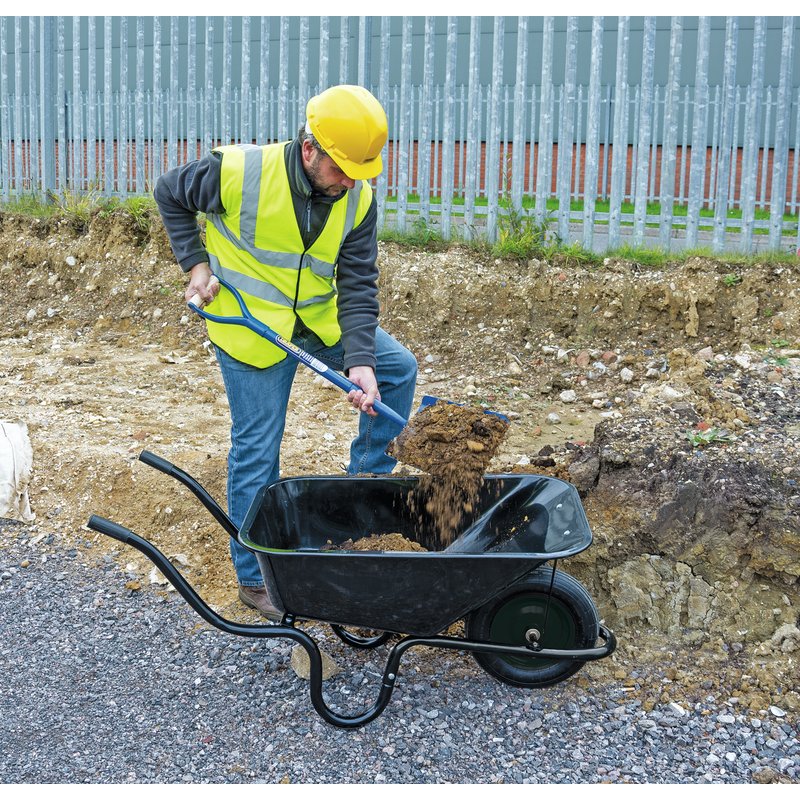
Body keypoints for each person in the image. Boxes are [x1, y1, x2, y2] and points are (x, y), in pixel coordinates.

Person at [154, 85, 417, 620]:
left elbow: (359, 280)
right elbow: (168, 192)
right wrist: (197, 265)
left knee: (398, 368)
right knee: (257, 451)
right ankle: (255, 578)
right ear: (308, 150)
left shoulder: (358, 198)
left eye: (359, 172)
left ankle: (361, 493)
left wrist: (360, 359)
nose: (351, 182)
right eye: (342, 169)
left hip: (317, 319)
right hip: (250, 327)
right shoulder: (237, 173)